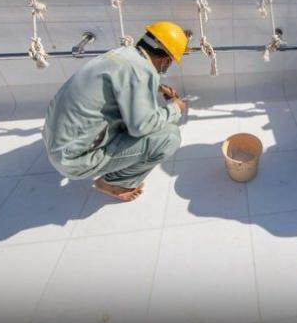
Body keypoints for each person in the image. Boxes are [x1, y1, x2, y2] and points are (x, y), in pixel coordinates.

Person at [42, 21, 189, 201]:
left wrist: (156, 87)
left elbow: (120, 83)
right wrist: (176, 108)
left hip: (57, 144)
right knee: (169, 136)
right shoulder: (143, 72)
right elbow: (141, 127)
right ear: (167, 59)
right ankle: (114, 183)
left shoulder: (120, 54)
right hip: (74, 161)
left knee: (146, 116)